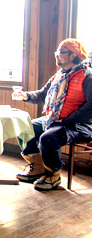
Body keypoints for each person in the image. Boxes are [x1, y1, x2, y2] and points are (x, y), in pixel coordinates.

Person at [12, 38, 92, 191]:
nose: (57, 55)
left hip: (78, 124)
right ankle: (37, 168)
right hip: (55, 119)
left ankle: (53, 174)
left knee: (48, 138)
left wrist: (67, 120)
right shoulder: (58, 76)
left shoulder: (87, 76)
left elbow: (90, 106)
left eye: (61, 52)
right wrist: (26, 96)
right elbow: (43, 94)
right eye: (57, 52)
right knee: (23, 128)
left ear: (73, 55)